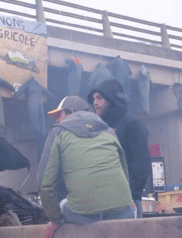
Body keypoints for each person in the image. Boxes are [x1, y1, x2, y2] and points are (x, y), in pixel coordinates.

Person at [37, 96, 134, 237]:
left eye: (60, 114)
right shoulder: (108, 131)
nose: (58, 120)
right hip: (122, 213)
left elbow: (44, 184)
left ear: (70, 111)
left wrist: (55, 220)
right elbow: (124, 172)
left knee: (64, 203)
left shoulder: (58, 132)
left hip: (83, 215)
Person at [87, 79, 151, 218]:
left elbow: (141, 163)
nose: (95, 103)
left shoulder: (131, 124)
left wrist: (133, 196)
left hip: (126, 201)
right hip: (103, 201)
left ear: (111, 98)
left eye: (99, 98)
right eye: (93, 99)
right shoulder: (100, 127)